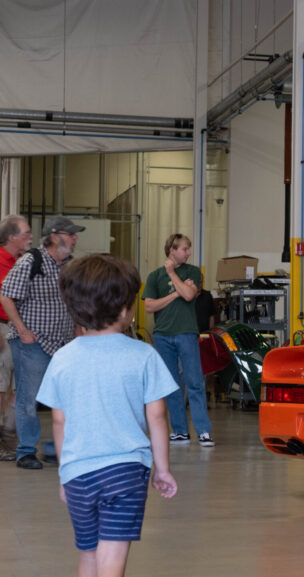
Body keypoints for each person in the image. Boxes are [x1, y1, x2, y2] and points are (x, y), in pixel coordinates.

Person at [36, 253, 178, 577]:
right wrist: (163, 470)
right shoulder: (144, 355)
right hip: (125, 472)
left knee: (88, 553)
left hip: (78, 474)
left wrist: (65, 473)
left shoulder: (62, 358)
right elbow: (157, 417)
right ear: (126, 309)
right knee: (112, 554)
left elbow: (59, 422)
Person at [0, 216, 81, 470]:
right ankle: (26, 452)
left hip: (63, 344)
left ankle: (59, 447)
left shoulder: (69, 266)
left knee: (65, 398)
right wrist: (22, 330)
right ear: (56, 236)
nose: (75, 238)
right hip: (32, 343)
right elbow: (6, 297)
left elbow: (74, 303)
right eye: (71, 234)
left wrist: (79, 332)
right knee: (29, 398)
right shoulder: (30, 262)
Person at [142, 233, 214, 447]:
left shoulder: (193, 272)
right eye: (184, 249)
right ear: (171, 250)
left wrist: (172, 273)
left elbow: (190, 295)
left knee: (195, 382)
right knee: (171, 385)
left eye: (188, 249)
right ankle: (180, 431)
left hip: (186, 333)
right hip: (163, 335)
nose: (188, 253)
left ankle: (203, 431)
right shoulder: (155, 276)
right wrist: (175, 294)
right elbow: (148, 306)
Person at [0, 215, 32, 461]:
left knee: (12, 389)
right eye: (26, 233)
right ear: (12, 237)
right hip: (2, 327)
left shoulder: (21, 261)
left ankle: (8, 440)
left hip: (15, 328)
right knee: (1, 388)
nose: (30, 237)